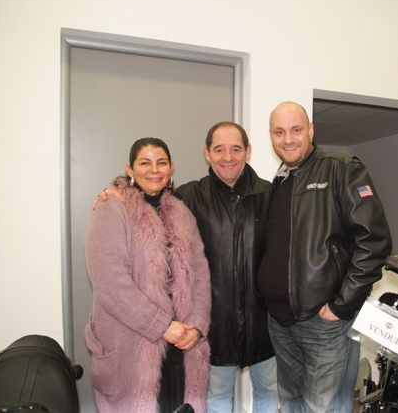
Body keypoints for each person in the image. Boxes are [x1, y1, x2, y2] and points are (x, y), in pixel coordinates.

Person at [258, 101, 393, 412]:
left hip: (324, 324)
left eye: (296, 130)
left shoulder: (341, 169)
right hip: (281, 322)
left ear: (311, 130)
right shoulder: (281, 179)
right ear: (271, 135)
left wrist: (341, 305)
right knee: (290, 403)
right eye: (279, 132)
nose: (287, 139)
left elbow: (374, 242)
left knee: (322, 408)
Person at [85, 137, 211, 413]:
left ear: (171, 168)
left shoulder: (182, 212)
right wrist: (161, 325)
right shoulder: (111, 208)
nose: (154, 170)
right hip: (131, 346)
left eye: (161, 163)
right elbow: (110, 283)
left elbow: (201, 272)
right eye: (145, 163)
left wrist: (197, 325)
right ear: (129, 169)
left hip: (181, 346)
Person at [174, 122, 278, 412]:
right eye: (219, 149)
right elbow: (148, 204)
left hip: (265, 324)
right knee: (217, 396)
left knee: (269, 392)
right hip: (214, 324)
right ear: (207, 153)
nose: (228, 157)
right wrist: (118, 189)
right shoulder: (189, 196)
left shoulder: (271, 195)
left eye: (236, 149)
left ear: (248, 151)